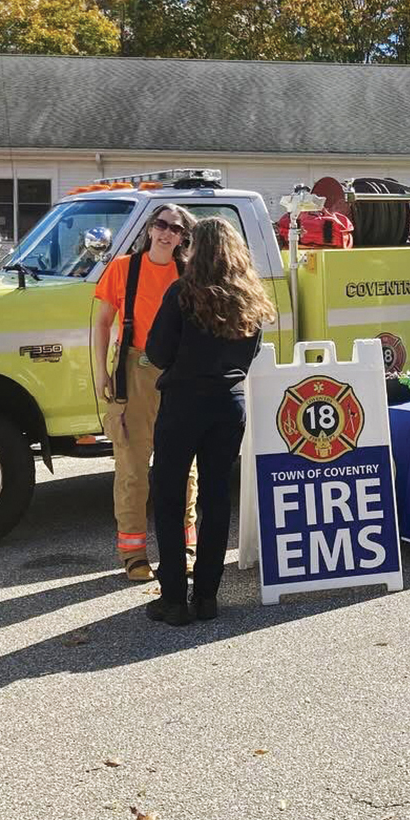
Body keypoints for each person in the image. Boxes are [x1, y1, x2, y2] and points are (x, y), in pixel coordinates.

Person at [144, 217, 275, 624]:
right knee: (216, 500)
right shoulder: (248, 297)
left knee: (168, 496)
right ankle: (206, 596)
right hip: (229, 403)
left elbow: (159, 353)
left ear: (196, 250)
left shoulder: (182, 293)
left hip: (184, 402)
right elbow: (253, 352)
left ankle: (172, 599)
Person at [92, 204, 199, 581]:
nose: (166, 233)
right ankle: (133, 554)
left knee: (183, 470)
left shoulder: (188, 273)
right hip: (133, 374)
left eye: (175, 228)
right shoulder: (123, 268)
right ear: (150, 229)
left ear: (184, 237)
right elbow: (102, 322)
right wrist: (100, 374)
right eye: (160, 224)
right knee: (133, 469)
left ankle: (185, 549)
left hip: (178, 374)